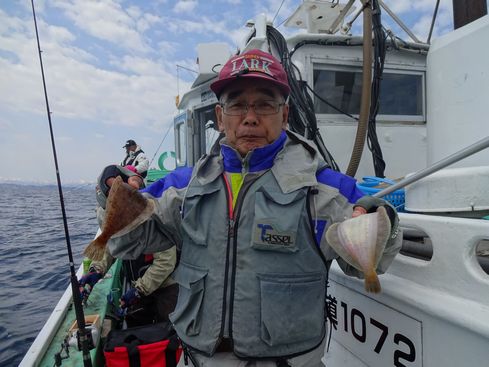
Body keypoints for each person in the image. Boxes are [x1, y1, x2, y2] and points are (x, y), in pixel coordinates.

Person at [106, 49, 402, 366]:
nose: (250, 117)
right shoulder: (184, 186)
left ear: (284, 115)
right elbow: (124, 241)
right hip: (197, 359)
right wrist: (110, 192)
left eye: (264, 104)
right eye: (236, 104)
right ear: (220, 117)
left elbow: (374, 261)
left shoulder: (325, 189)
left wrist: (377, 217)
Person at [81, 165, 178, 327]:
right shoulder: (115, 222)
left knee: (169, 329)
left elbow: (166, 262)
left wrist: (139, 290)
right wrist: (96, 270)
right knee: (135, 327)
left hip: (165, 287)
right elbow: (113, 243)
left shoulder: (156, 218)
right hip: (137, 287)